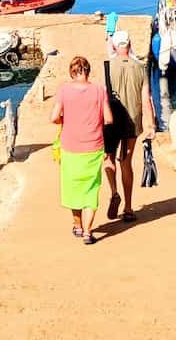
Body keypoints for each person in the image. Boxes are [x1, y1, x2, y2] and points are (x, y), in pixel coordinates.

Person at [51, 55, 113, 245]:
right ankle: (87, 232)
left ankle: (78, 226)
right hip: (93, 146)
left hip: (70, 146)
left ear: (72, 72)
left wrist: (66, 121)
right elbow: (109, 119)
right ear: (88, 71)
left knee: (73, 188)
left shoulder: (64, 90)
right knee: (91, 188)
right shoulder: (99, 90)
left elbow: (54, 117)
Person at [104, 30, 156, 223]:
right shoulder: (140, 67)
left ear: (116, 46)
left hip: (111, 120)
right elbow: (145, 98)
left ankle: (114, 192)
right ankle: (128, 207)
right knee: (126, 162)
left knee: (108, 158)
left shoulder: (109, 66)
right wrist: (151, 125)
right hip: (132, 122)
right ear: (130, 44)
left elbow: (103, 97)